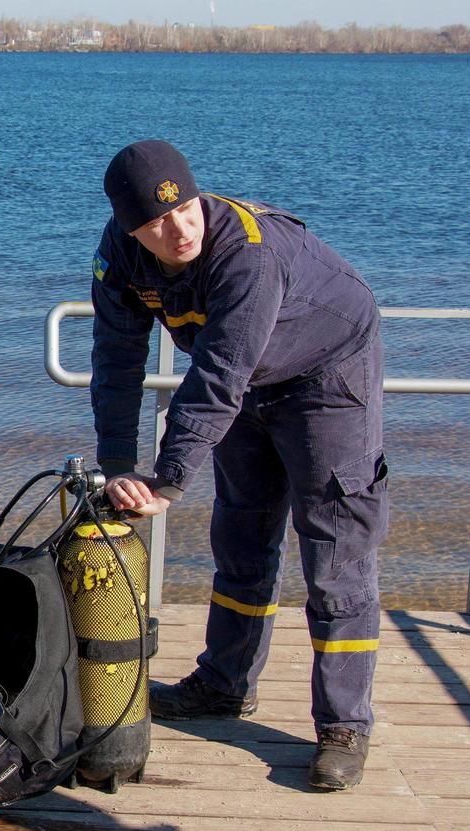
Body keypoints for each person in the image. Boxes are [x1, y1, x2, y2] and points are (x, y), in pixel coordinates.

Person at [87, 139, 388, 791]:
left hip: (326, 370)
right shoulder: (117, 257)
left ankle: (344, 725)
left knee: (335, 549)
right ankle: (224, 685)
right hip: (249, 380)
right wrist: (117, 463)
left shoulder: (244, 254)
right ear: (129, 227)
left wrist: (167, 479)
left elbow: (217, 377)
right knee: (242, 534)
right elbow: (116, 360)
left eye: (187, 208)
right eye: (158, 223)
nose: (180, 228)